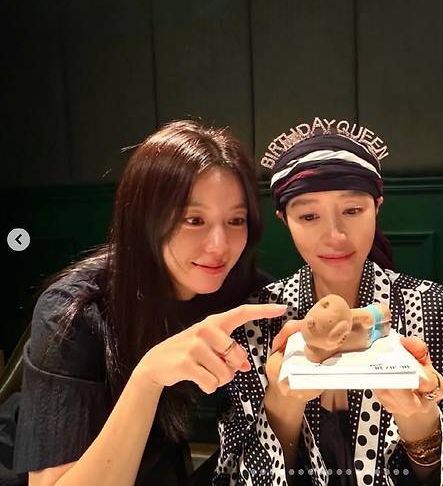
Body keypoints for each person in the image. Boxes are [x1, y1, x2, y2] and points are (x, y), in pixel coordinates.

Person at [215, 119, 443, 486]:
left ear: (377, 207)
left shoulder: (441, 313)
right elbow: (233, 475)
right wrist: (283, 402)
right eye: (309, 216)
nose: (335, 235)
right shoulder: (257, 323)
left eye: (352, 211)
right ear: (284, 220)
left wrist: (420, 422)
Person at [13, 120, 287, 486]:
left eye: (236, 220)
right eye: (194, 220)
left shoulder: (244, 293)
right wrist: (148, 378)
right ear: (145, 220)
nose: (220, 245)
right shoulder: (75, 310)